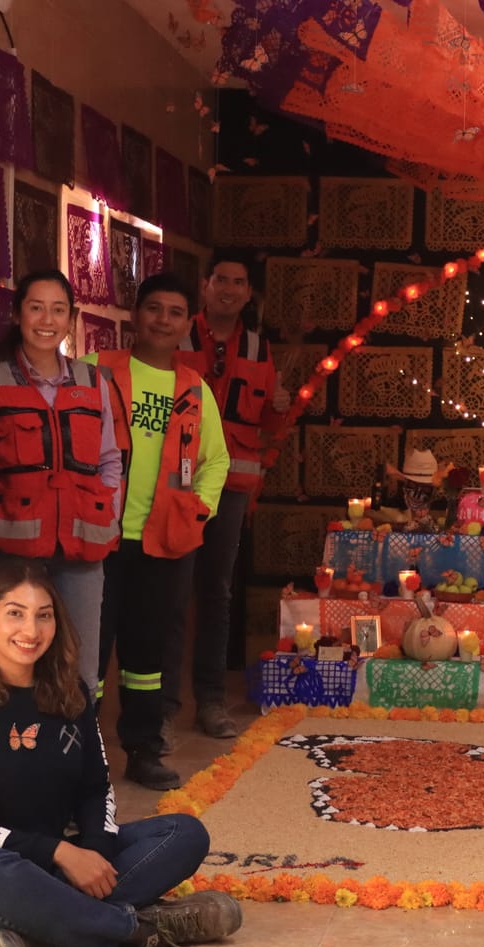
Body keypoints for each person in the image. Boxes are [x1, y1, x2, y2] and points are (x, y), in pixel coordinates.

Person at [0, 560, 243, 947]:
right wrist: (58, 851)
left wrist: (94, 850)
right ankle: (138, 928)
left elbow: (96, 788)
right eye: (14, 613)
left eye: (44, 616)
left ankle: (41, 936)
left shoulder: (69, 690)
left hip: (56, 866)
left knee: (183, 834)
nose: (30, 631)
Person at [95, 272, 231, 788]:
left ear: (186, 324)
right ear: (136, 315)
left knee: (148, 657)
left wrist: (198, 508)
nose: (163, 320)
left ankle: (144, 750)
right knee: (86, 657)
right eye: (154, 309)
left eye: (175, 313)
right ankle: (79, 759)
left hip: (165, 542)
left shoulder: (195, 388)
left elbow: (215, 460)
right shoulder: (97, 370)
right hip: (98, 538)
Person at [0, 269, 125, 694]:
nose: (47, 319)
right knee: (11, 661)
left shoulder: (92, 380)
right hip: (13, 548)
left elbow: (109, 459)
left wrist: (109, 513)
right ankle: (12, 752)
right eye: (36, 307)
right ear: (17, 314)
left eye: (58, 309)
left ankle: (75, 752)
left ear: (71, 318)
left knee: (77, 663)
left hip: (82, 546)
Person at [169, 248, 290, 737]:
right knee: (173, 592)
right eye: (221, 279)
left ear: (248, 293)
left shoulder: (260, 349)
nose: (229, 289)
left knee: (216, 594)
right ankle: (162, 703)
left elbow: (268, 423)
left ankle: (211, 701)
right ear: (204, 285)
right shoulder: (176, 332)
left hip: (232, 486)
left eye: (238, 282)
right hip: (176, 482)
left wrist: (279, 406)